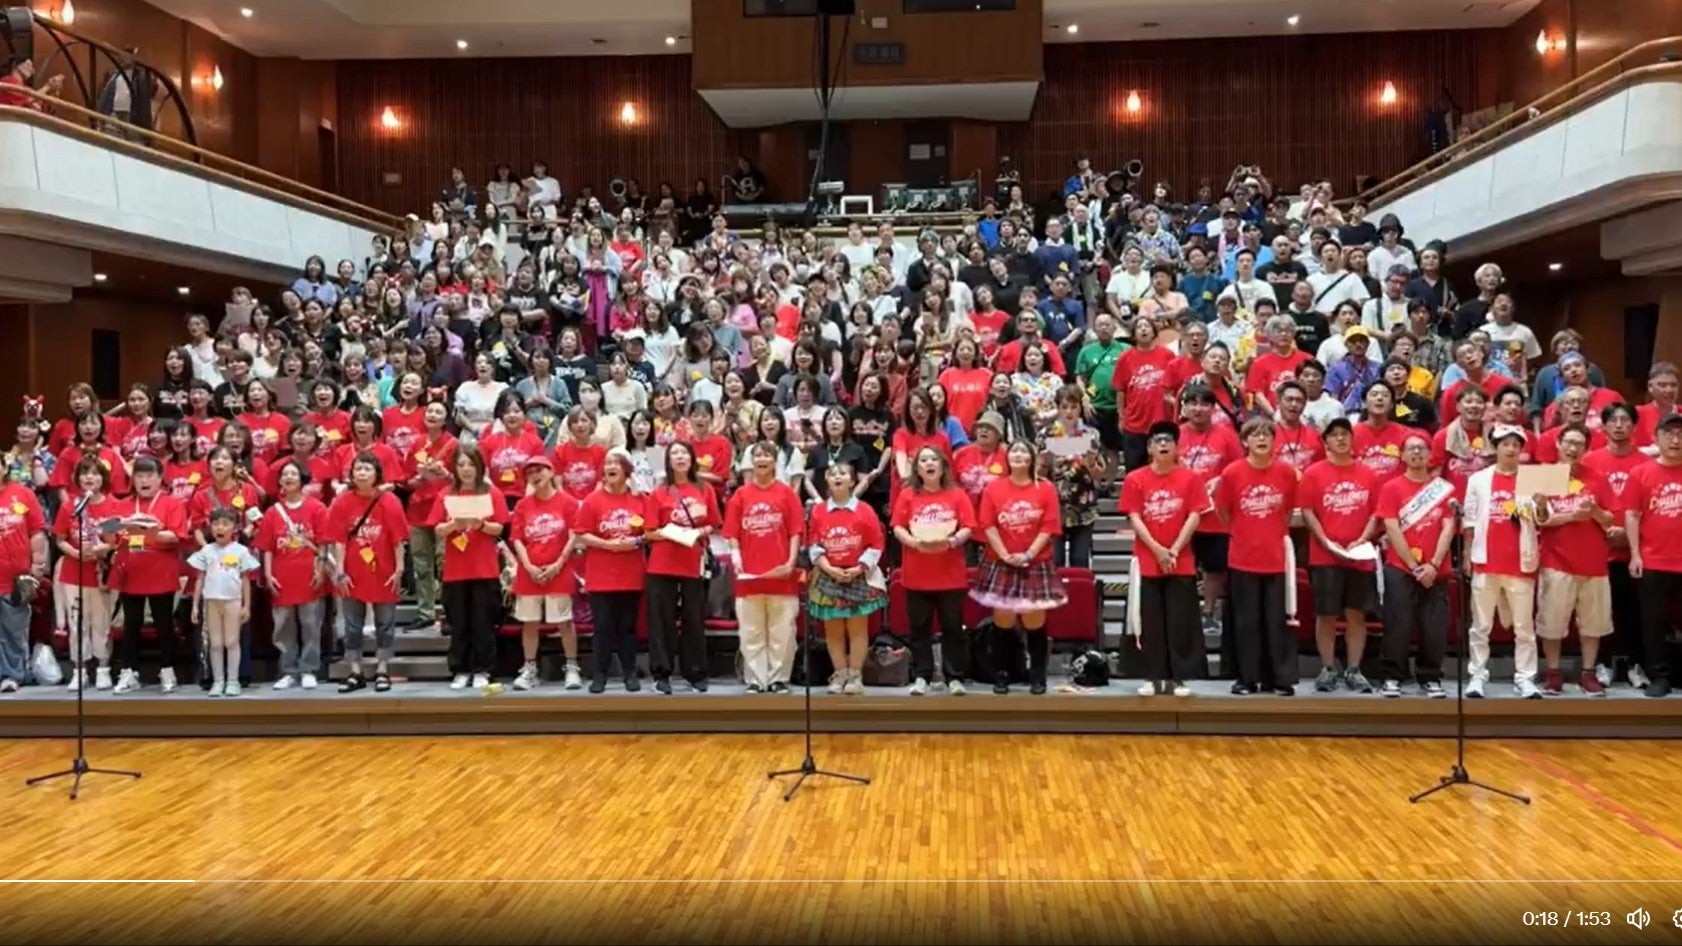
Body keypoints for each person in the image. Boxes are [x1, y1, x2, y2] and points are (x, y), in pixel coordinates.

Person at [1212, 418, 1300, 696]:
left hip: (1276, 558)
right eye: (1255, 435)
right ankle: (1247, 678)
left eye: (1267, 435)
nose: (1262, 439)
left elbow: (1288, 511)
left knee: (1277, 621)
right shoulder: (1231, 473)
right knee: (1246, 622)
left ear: (1274, 441)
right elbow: (1223, 512)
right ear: (1245, 441)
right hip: (1243, 557)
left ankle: (1278, 679)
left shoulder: (1286, 472)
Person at [972, 440, 1065, 695]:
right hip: (1001, 562)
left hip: (1035, 562)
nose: (1019, 455)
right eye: (1014, 451)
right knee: (1003, 619)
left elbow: (1049, 525)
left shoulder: (1045, 488)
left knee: (1034, 619)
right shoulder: (994, 488)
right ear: (1007, 457)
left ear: (1032, 458)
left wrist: (1029, 554)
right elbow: (988, 524)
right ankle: (1001, 674)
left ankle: (1038, 675)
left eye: (1024, 451)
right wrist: (1004, 554)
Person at [1121, 421, 1206, 697]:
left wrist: (1175, 549)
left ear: (1177, 448)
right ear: (1149, 449)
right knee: (1150, 620)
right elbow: (1135, 517)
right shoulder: (1135, 479)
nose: (1163, 445)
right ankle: (1152, 676)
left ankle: (1179, 678)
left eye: (1168, 441)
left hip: (1181, 559)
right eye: (1157, 441)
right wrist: (1157, 550)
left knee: (1180, 620)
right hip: (1148, 559)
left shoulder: (1191, 479)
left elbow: (1195, 515)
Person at [1534, 423, 1615, 696]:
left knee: (1593, 624)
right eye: (1568, 442)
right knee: (1551, 622)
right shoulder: (1545, 476)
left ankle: (1588, 673)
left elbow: (1609, 520)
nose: (1573, 448)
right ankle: (1553, 673)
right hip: (1555, 560)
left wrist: (1594, 511)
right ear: (1558, 444)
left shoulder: (1597, 478)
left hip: (1594, 562)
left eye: (1579, 444)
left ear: (1586, 449)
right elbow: (1538, 519)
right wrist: (1572, 516)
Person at [1299, 418, 1379, 693]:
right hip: (1325, 555)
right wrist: (1325, 541)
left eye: (1345, 434)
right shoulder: (1313, 473)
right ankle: (1328, 668)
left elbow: (1376, 513)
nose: (1341, 439)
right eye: (1334, 435)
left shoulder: (1368, 473)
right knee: (1327, 614)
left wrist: (1363, 539)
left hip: (1360, 554)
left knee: (1356, 613)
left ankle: (1354, 669)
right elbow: (1307, 511)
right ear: (1325, 442)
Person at [1374, 432, 1456, 697]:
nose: (1417, 453)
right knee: (1397, 623)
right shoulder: (1392, 488)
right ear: (1402, 455)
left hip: (1435, 569)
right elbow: (1391, 527)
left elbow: (1448, 527)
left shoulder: (1443, 490)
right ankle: (1393, 676)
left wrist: (1433, 565)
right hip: (1400, 567)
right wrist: (1412, 565)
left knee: (1434, 626)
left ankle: (1430, 676)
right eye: (1411, 448)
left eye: (1422, 448)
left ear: (1430, 454)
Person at [1461, 425, 1540, 699]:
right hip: (1485, 561)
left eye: (1516, 445)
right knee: (1480, 626)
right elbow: (1469, 520)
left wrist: (1541, 504)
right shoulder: (1478, 479)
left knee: (1524, 629)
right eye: (1505, 444)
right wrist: (1468, 555)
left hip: (1520, 563)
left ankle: (1526, 678)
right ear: (1495, 448)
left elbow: (1544, 518)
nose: (1510, 449)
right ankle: (1477, 675)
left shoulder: (1532, 479)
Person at [892, 446, 976, 696]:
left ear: (942, 465)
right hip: (917, 575)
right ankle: (922, 676)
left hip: (950, 576)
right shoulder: (907, 495)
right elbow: (898, 527)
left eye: (933, 459)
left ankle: (954, 677)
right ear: (917, 468)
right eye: (923, 460)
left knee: (953, 628)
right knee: (919, 628)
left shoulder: (957, 494)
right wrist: (914, 543)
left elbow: (968, 527)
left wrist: (953, 541)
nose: (929, 463)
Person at [724, 441, 804, 694]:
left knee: (783, 632)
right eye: (757, 455)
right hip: (749, 578)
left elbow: (796, 531)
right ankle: (756, 679)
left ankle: (779, 678)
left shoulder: (787, 494)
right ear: (751, 462)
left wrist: (790, 563)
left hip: (782, 576)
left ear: (774, 461)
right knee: (751, 632)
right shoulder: (741, 495)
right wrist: (736, 559)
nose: (761, 459)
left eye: (767, 455)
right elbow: (732, 533)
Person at [326, 452, 409, 693]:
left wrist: (400, 568)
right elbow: (339, 540)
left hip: (384, 571)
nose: (362, 473)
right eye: (358, 469)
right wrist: (340, 571)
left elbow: (398, 540)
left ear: (377, 474)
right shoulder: (342, 502)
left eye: (367, 469)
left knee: (385, 624)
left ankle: (382, 669)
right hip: (352, 572)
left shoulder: (390, 501)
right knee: (352, 625)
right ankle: (355, 671)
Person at [1582, 402, 1650, 688]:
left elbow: (1652, 508)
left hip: (1636, 551)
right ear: (1604, 426)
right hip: (1598, 549)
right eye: (1613, 420)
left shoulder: (1645, 463)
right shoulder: (1589, 460)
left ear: (1634, 426)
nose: (1619, 425)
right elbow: (1581, 500)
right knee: (1600, 611)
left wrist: (1630, 534)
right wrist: (1606, 528)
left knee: (1636, 611)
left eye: (1625, 420)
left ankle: (1636, 665)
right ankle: (1603, 663)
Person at [644, 442, 721, 694]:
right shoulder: (659, 492)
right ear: (668, 460)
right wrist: (670, 533)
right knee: (661, 621)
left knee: (694, 620)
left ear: (691, 459)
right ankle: (661, 674)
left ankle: (696, 673)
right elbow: (649, 531)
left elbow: (714, 523)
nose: (679, 457)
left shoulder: (704, 488)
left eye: (684, 453)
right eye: (674, 453)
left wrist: (698, 532)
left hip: (692, 562)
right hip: (662, 563)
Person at [806, 463, 888, 695]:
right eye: (832, 474)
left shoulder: (865, 510)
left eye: (843, 474)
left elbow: (876, 544)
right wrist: (828, 568)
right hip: (828, 576)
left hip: (858, 576)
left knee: (857, 629)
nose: (837, 477)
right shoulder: (819, 511)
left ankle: (855, 676)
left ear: (852, 481)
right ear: (827, 481)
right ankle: (839, 673)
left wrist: (859, 568)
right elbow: (814, 544)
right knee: (833, 630)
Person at [110, 458, 188, 694]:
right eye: (139, 476)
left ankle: (168, 670)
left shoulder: (172, 503)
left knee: (164, 624)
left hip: (160, 570)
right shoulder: (124, 504)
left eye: (149, 476)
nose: (144, 481)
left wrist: (151, 533)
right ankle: (129, 672)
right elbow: (111, 536)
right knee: (130, 624)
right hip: (131, 570)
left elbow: (177, 536)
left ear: (160, 478)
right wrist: (113, 529)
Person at [574, 449, 647, 693]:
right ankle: (600, 675)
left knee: (628, 627)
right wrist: (609, 545)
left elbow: (651, 532)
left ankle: (630, 673)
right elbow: (581, 534)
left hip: (631, 574)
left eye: (616, 463)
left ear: (627, 470)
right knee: (603, 627)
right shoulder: (592, 500)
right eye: (607, 463)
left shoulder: (640, 499)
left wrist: (635, 542)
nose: (611, 467)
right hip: (601, 576)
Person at [508, 455, 583, 690]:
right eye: (530, 473)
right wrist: (528, 566)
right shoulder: (522, 505)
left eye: (539, 470)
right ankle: (530, 669)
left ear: (551, 472)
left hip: (559, 571)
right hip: (529, 573)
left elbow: (574, 536)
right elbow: (517, 539)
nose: (535, 476)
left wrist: (558, 564)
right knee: (529, 623)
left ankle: (572, 667)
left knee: (564, 622)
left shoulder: (568, 502)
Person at [254, 458, 329, 690]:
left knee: (311, 624)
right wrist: (268, 575)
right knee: (283, 626)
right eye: (285, 474)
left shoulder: (317, 507)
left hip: (310, 575)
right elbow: (266, 547)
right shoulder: (272, 512)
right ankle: (288, 670)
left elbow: (324, 543)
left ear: (302, 479)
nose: (288, 478)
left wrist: (320, 570)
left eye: (293, 474)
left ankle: (309, 669)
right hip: (282, 577)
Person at [1625, 411, 1682, 698]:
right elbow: (1632, 515)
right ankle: (1659, 675)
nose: (1675, 440)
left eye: (1680, 434)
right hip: (1654, 560)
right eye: (1668, 434)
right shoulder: (1641, 473)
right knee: (1653, 622)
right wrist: (1635, 554)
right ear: (1656, 438)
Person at [54, 458, 119, 692]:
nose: (89, 478)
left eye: (94, 473)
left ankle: (103, 669)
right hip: (74, 573)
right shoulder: (70, 506)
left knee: (101, 624)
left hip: (101, 574)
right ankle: (79, 671)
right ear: (77, 478)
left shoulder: (112, 505)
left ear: (103, 478)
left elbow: (115, 541)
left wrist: (101, 549)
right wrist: (75, 552)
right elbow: (60, 538)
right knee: (77, 623)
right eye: (84, 473)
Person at [187, 508, 260, 698]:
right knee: (216, 643)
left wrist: (246, 606)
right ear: (210, 527)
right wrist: (195, 605)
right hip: (211, 601)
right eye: (216, 524)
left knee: (232, 641)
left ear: (234, 528)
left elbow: (245, 579)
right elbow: (200, 579)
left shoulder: (240, 551)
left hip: (233, 601)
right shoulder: (206, 551)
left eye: (225, 524)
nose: (220, 528)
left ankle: (233, 680)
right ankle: (218, 681)